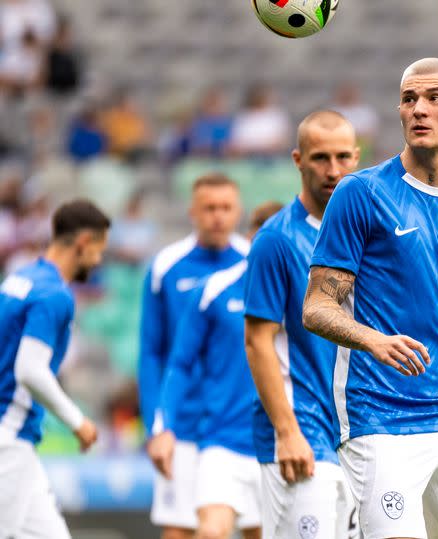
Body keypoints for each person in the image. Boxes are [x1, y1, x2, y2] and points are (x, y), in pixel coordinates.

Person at [302, 58, 438, 539]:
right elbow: (317, 307)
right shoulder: (360, 194)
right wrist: (373, 341)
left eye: (433, 99)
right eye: (409, 99)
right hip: (379, 416)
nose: (418, 109)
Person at [244, 111, 360, 539]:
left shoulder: (367, 234)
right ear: (298, 159)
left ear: (357, 157)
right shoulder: (277, 240)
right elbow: (258, 343)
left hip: (358, 434)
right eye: (320, 158)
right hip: (303, 432)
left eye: (343, 157)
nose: (333, 170)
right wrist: (287, 432)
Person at [147, 203, 281, 539]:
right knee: (210, 531)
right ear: (252, 238)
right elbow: (178, 363)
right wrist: (163, 427)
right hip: (221, 440)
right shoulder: (213, 290)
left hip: (282, 441)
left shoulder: (308, 296)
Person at [139, 174, 249, 539]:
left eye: (225, 208)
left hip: (238, 424)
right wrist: (158, 426)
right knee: (179, 530)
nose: (217, 216)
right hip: (183, 424)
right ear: (192, 212)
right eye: (209, 208)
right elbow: (152, 353)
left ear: (238, 212)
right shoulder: (165, 266)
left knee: (260, 529)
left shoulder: (254, 264)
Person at [0, 198, 109, 538]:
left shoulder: (19, 279)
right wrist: (78, 422)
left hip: (16, 438)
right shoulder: (54, 296)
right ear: (84, 243)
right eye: (99, 248)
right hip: (8, 434)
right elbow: (30, 370)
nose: (100, 259)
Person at [229, 84, 291, 160]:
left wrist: (264, 147)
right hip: (247, 158)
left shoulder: (276, 115)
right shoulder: (243, 116)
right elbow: (237, 142)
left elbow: (282, 141)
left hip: (273, 159)